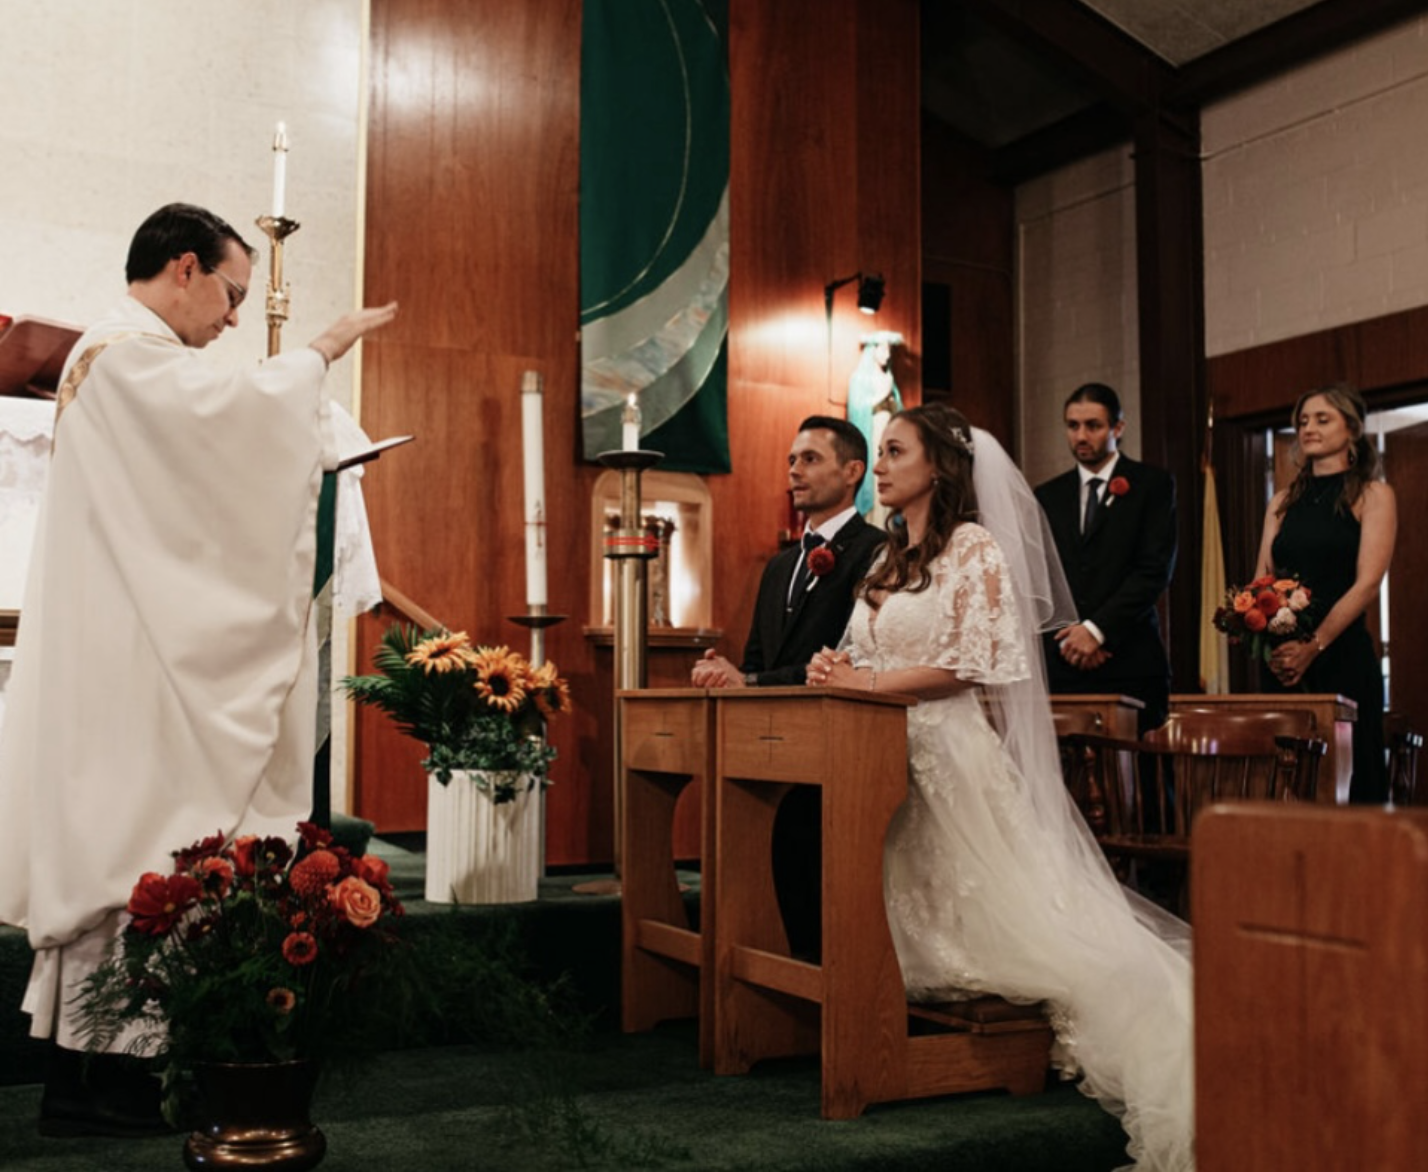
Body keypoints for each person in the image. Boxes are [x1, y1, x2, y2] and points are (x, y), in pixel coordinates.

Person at [0, 203, 398, 1135]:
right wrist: (322, 350)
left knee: (125, 854)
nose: (230, 319)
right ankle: (107, 1087)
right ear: (184, 268)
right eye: (229, 294)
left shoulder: (122, 362)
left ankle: (92, 1084)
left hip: (126, 652)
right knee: (135, 850)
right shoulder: (128, 356)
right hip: (134, 670)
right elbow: (231, 430)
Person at [808, 404, 1193, 1171]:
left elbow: (971, 663)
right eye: (877, 452)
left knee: (1024, 930)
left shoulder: (974, 549)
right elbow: (859, 649)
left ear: (937, 467)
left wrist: (871, 680)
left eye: (892, 451)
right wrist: (832, 670)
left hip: (946, 747)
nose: (878, 465)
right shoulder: (887, 557)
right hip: (878, 751)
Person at [692, 415, 884, 955]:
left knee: (814, 882)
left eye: (810, 459)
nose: (794, 471)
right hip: (770, 750)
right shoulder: (780, 566)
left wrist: (747, 679)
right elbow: (758, 656)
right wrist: (724, 672)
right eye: (791, 460)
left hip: (834, 747)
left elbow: (851, 658)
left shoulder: (874, 552)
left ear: (852, 472)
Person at [1252, 383, 1396, 804]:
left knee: (1351, 783)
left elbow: (1368, 583)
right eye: (1302, 421)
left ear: (1351, 429)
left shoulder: (1373, 495)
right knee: (1289, 784)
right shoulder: (1281, 501)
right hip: (1282, 663)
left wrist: (1313, 645)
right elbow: (1262, 577)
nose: (1308, 427)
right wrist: (1266, 638)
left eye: (1322, 419)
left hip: (1342, 656)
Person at [1035, 384, 1177, 734]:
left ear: (1118, 429)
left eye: (1093, 426)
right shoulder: (1047, 496)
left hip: (1129, 658)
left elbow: (1153, 570)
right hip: (1063, 661)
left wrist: (1097, 631)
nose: (1081, 436)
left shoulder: (1152, 485)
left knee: (1142, 780)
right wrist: (1072, 639)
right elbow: (1041, 577)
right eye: (1072, 426)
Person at [845, 330, 903, 523]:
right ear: (873, 351)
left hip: (888, 431)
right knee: (874, 473)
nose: (887, 355)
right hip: (873, 431)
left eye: (889, 350)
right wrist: (882, 394)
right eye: (883, 349)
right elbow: (858, 408)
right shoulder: (860, 378)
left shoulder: (889, 379)